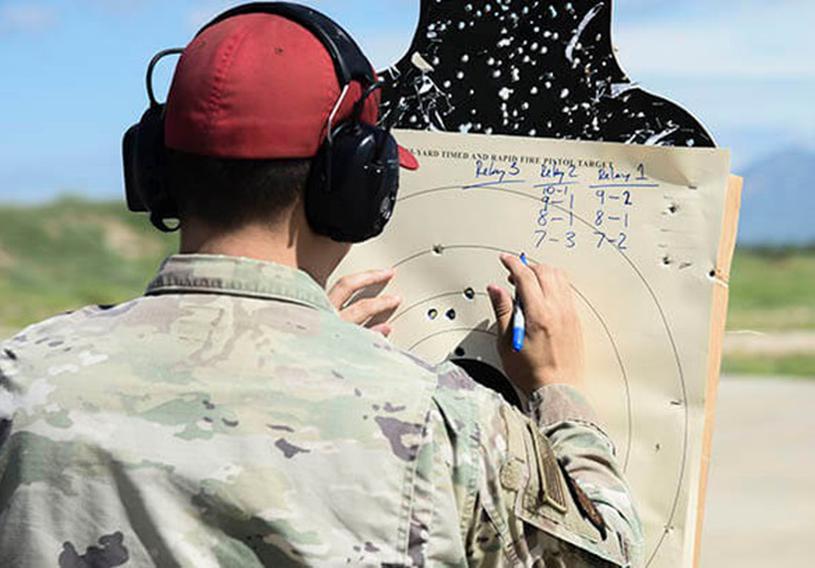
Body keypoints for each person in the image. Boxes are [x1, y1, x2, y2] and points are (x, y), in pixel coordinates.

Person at [0, 4, 642, 566]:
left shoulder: (19, 381)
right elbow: (608, 554)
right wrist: (559, 393)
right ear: (355, 185)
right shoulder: (448, 423)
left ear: (153, 171)